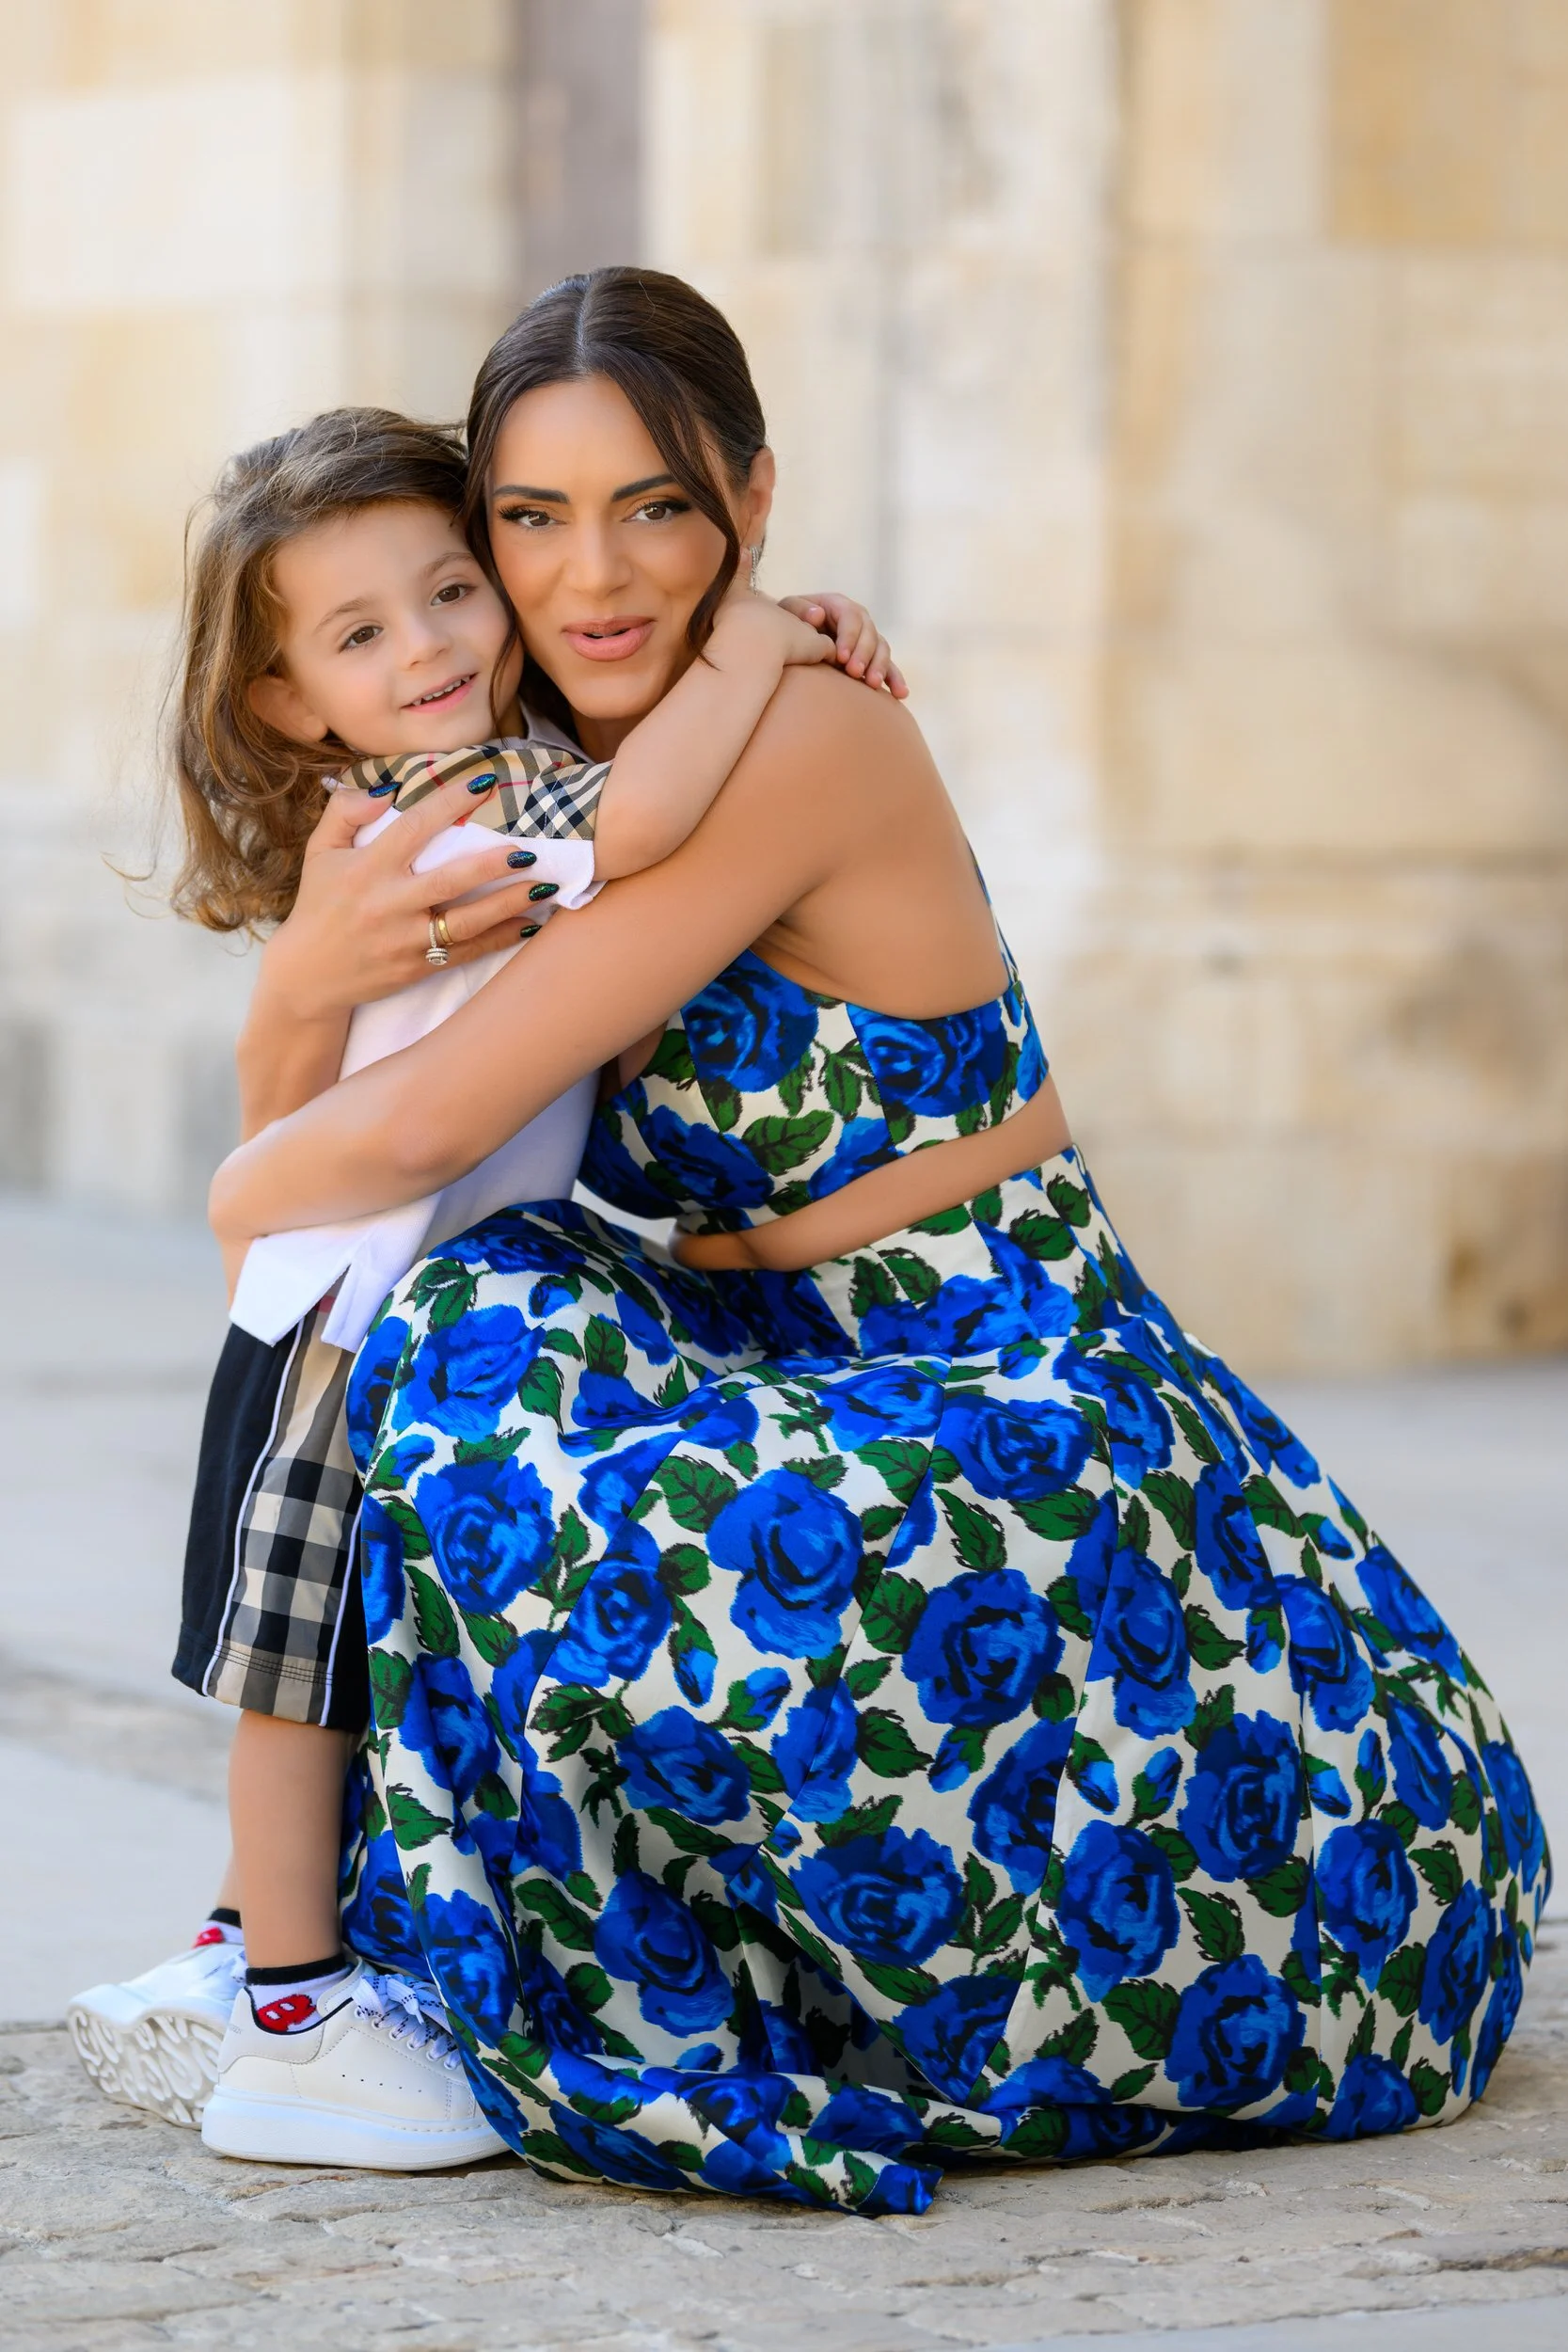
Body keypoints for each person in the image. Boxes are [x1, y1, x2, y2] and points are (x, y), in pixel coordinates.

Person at [199, 266, 1547, 2205]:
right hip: (787, 1360)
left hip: (1003, 1383)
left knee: (489, 1367)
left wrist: (235, 1179)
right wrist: (297, 989)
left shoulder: (798, 733)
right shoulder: (554, 783)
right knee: (465, 1314)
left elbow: (389, 1131)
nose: (593, 575)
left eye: (655, 507)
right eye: (531, 519)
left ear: (748, 501)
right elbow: (351, 1163)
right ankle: (309, 1938)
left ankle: (414, 1953)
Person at [67, 403, 903, 2154]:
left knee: (335, 1661)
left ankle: (245, 1958)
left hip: (371, 1301)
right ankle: (294, 2011)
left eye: (453, 589)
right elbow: (663, 806)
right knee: (297, 1681)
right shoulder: (464, 814)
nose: (435, 643)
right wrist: (757, 633)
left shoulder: (381, 809)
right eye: (362, 633)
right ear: (288, 698)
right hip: (356, 1317)